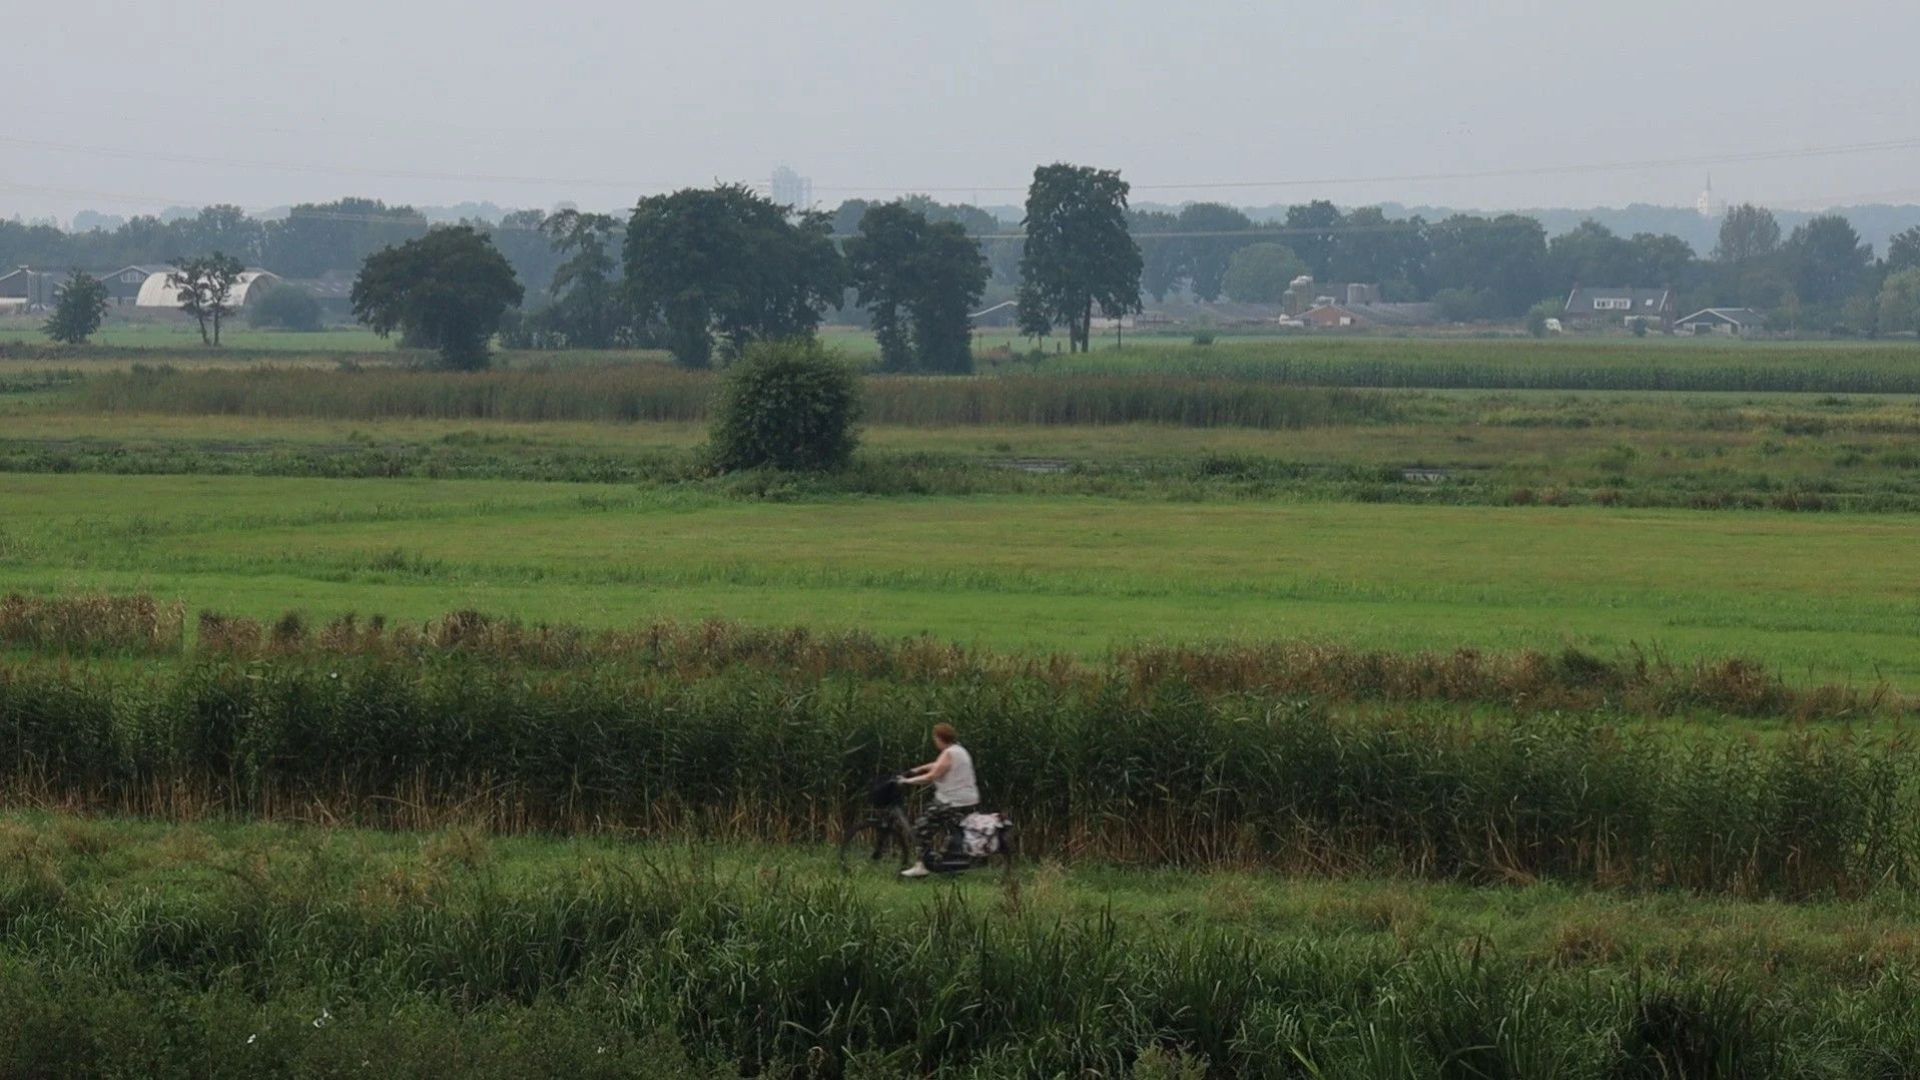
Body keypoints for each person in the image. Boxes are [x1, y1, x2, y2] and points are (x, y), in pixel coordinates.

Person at [897, 722, 978, 878]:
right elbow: (938, 765)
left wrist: (906, 781)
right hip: (967, 799)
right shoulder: (959, 750)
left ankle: (921, 865)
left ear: (940, 738)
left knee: (921, 827)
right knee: (953, 830)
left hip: (952, 801)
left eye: (935, 739)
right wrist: (917, 769)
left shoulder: (949, 753)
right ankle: (947, 861)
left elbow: (932, 776)